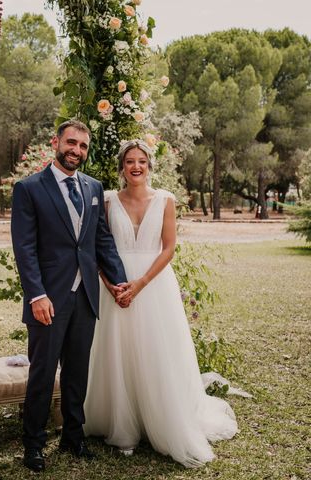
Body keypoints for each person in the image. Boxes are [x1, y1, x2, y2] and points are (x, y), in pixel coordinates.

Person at [83, 139, 238, 467]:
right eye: (129, 161)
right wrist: (112, 284)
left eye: (141, 161)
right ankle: (119, 423)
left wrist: (139, 284)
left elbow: (168, 248)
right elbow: (98, 245)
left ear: (149, 166)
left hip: (152, 285)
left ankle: (161, 421)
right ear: (122, 167)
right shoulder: (108, 200)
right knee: (117, 351)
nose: (135, 166)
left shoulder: (165, 200)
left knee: (155, 350)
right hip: (116, 283)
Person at [11, 120, 128, 472]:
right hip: (48, 298)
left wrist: (119, 281)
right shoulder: (29, 188)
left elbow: (100, 240)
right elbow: (25, 248)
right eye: (71, 143)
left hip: (85, 297)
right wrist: (36, 295)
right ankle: (33, 444)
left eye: (83, 146)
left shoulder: (94, 187)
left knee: (78, 371)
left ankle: (73, 437)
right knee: (43, 374)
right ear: (55, 142)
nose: (76, 150)